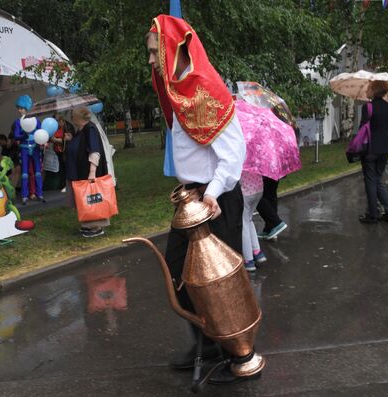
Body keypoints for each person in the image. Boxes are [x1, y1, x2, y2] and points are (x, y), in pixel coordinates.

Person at [146, 15, 259, 385]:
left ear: (171, 50)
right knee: (179, 270)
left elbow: (233, 154)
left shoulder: (207, 92)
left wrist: (210, 193)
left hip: (216, 198)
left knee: (221, 281)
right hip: (192, 201)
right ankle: (209, 343)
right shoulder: (181, 95)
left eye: (153, 53)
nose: (149, 61)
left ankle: (242, 355)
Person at [66, 107, 110, 238]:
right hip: (78, 172)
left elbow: (94, 151)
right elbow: (79, 146)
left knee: (91, 199)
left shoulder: (90, 129)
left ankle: (96, 227)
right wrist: (71, 140)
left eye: (73, 116)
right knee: (83, 200)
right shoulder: (81, 130)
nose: (71, 119)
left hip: (87, 173)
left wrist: (92, 173)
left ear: (78, 117)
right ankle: (87, 224)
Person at [358, 81, 388, 224]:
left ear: (374, 90)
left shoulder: (368, 107)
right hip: (385, 149)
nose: (366, 91)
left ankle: (372, 215)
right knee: (376, 180)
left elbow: (362, 129)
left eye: (368, 88)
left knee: (370, 181)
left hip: (370, 150)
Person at [12, 95, 44, 204]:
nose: (20, 110)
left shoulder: (36, 121)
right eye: (19, 108)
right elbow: (16, 135)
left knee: (38, 172)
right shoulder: (18, 122)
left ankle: (40, 194)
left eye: (22, 108)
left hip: (35, 148)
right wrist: (24, 136)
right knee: (25, 173)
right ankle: (24, 195)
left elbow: (41, 132)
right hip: (24, 148)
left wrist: (43, 141)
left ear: (27, 107)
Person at [240, 171, 267, 272]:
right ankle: (257, 251)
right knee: (249, 219)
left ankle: (248, 260)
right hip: (258, 190)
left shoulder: (241, 158)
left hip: (245, 193)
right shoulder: (256, 156)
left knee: (244, 224)